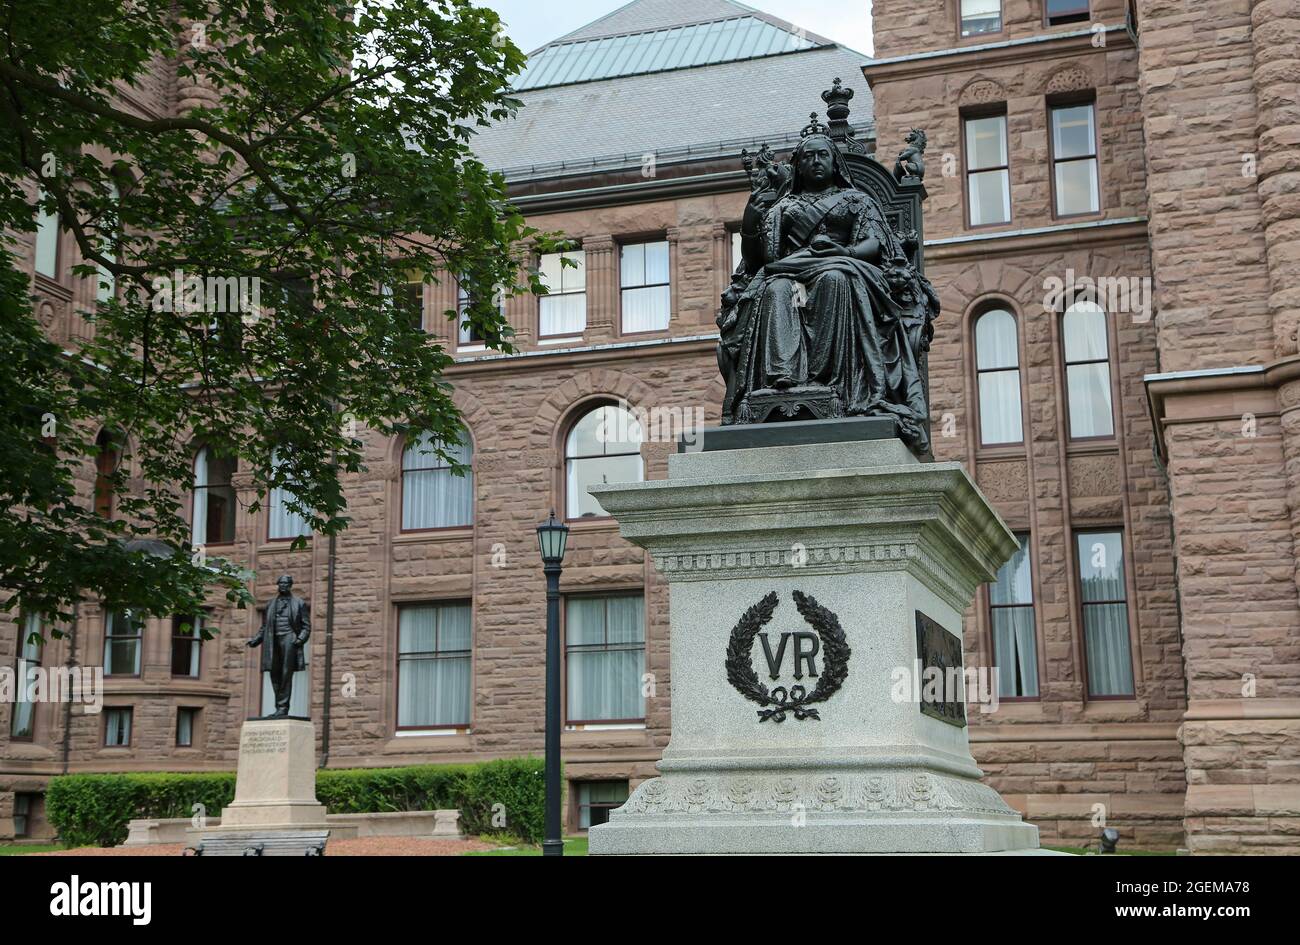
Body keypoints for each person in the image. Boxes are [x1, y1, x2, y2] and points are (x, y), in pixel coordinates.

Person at [719, 119, 937, 453]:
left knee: (834, 279)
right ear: (798, 165)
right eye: (808, 157)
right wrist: (751, 220)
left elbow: (875, 243)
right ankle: (783, 380)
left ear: (834, 162)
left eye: (822, 155)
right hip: (789, 272)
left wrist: (843, 252)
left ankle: (829, 381)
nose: (816, 161)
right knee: (775, 289)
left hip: (843, 267)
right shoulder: (783, 207)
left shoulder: (856, 200)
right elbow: (759, 260)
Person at [247, 573, 310, 718]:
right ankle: (278, 707)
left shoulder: (299, 603)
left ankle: (283, 707)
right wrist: (256, 640)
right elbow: (265, 626)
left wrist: (299, 640)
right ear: (278, 585)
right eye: (281, 583)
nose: (283, 586)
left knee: (286, 674)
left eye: (286, 584)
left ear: (290, 585)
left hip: (290, 639)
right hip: (273, 640)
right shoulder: (271, 604)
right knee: (274, 673)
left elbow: (306, 626)